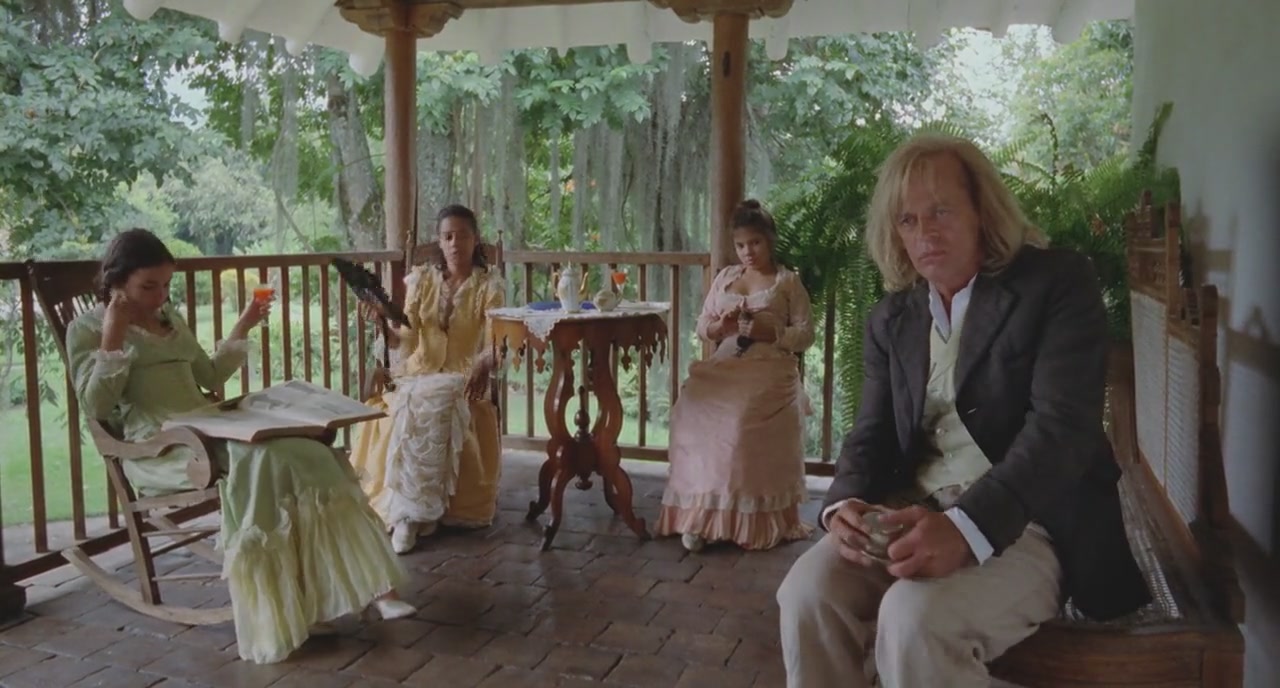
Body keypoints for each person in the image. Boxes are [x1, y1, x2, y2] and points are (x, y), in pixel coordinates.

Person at [775, 135, 1152, 687]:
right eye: (907, 220)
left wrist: (966, 528)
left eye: (941, 211)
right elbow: (871, 432)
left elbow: (1062, 430)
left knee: (914, 619)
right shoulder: (891, 320)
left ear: (982, 211)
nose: (924, 233)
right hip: (911, 513)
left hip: (1030, 523)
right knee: (806, 593)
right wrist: (843, 505)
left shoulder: (1055, 284)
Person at [65, 229, 415, 665]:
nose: (160, 297)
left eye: (165, 285)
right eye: (148, 286)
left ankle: (361, 591)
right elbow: (96, 406)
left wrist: (246, 321)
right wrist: (113, 336)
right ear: (116, 282)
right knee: (266, 460)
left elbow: (210, 377)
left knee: (313, 451)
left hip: (208, 424)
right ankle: (288, 610)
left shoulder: (168, 317)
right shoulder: (87, 329)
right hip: (163, 446)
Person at [655, 199, 816, 552]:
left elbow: (806, 334)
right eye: (740, 245)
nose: (747, 252)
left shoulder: (787, 282)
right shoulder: (726, 278)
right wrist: (719, 327)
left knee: (740, 418)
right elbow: (702, 326)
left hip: (769, 367)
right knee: (691, 407)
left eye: (755, 243)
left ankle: (744, 521)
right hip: (727, 363)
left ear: (769, 240)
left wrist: (772, 333)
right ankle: (699, 517)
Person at [350, 204, 504, 554]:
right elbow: (404, 339)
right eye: (447, 237)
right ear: (439, 241)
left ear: (475, 240)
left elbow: (496, 341)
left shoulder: (488, 285)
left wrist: (483, 363)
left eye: (462, 236)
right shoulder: (422, 280)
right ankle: (414, 514)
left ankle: (412, 516)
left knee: (436, 398)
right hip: (418, 371)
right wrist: (382, 323)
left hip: (461, 375)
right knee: (411, 400)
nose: (454, 244)